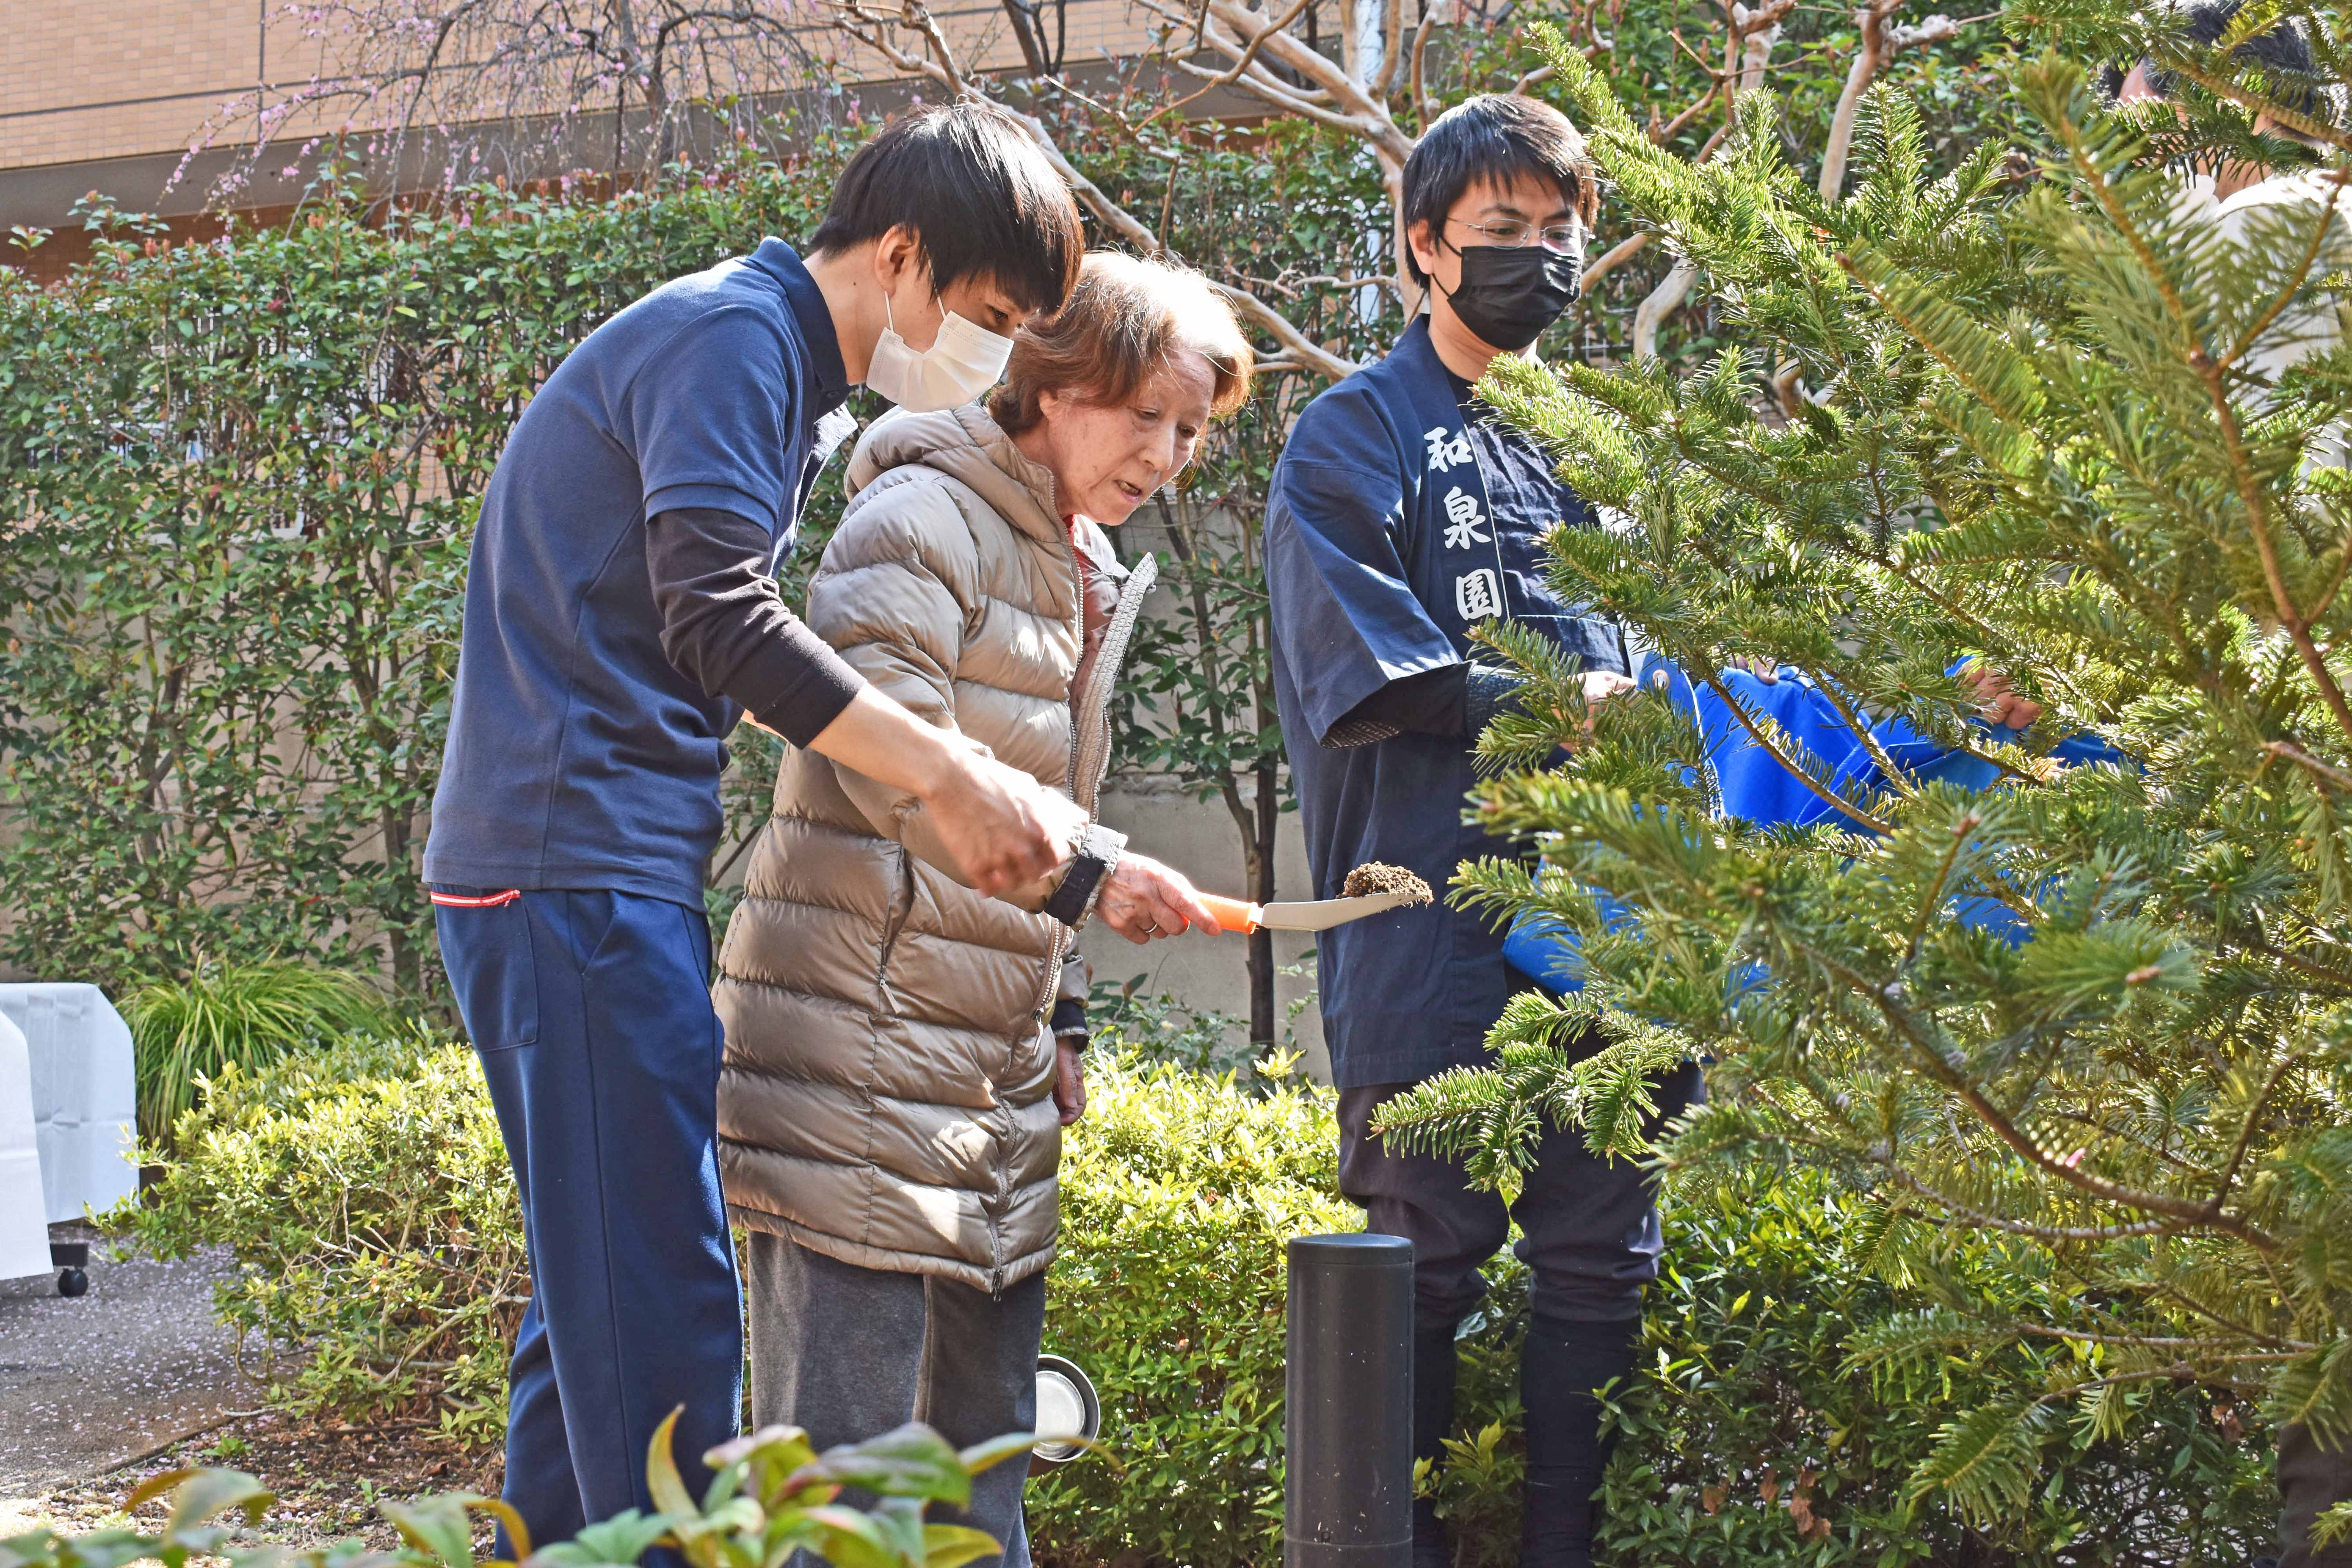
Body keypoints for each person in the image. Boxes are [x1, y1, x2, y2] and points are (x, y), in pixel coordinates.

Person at [421, 103, 1094, 1552]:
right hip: (569, 870)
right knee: (659, 1301)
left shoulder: (764, 361)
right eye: (984, 315)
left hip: (584, 866)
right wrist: (947, 776)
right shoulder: (733, 340)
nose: (985, 359)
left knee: (596, 1299)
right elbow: (720, 614)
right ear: (902, 257)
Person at [711, 252, 1250, 1565]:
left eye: (1189, 430)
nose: (1168, 453)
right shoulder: (918, 517)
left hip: (988, 1070)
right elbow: (892, 767)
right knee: (836, 1492)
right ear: (1055, 383)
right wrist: (1088, 879)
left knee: (980, 1472)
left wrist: (1061, 1012)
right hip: (851, 1049)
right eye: (1146, 416)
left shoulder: (1085, 558)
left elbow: (1054, 794)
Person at [1264, 94, 1701, 1568]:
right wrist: (1550, 693)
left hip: (1607, 924)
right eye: (1502, 232)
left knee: (1601, 1266)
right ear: (1423, 252)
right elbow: (1366, 668)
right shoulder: (1351, 434)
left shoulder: (1602, 450)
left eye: (1561, 232)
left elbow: (1682, 671)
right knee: (1412, 1267)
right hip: (1424, 919)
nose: (1538, 259)